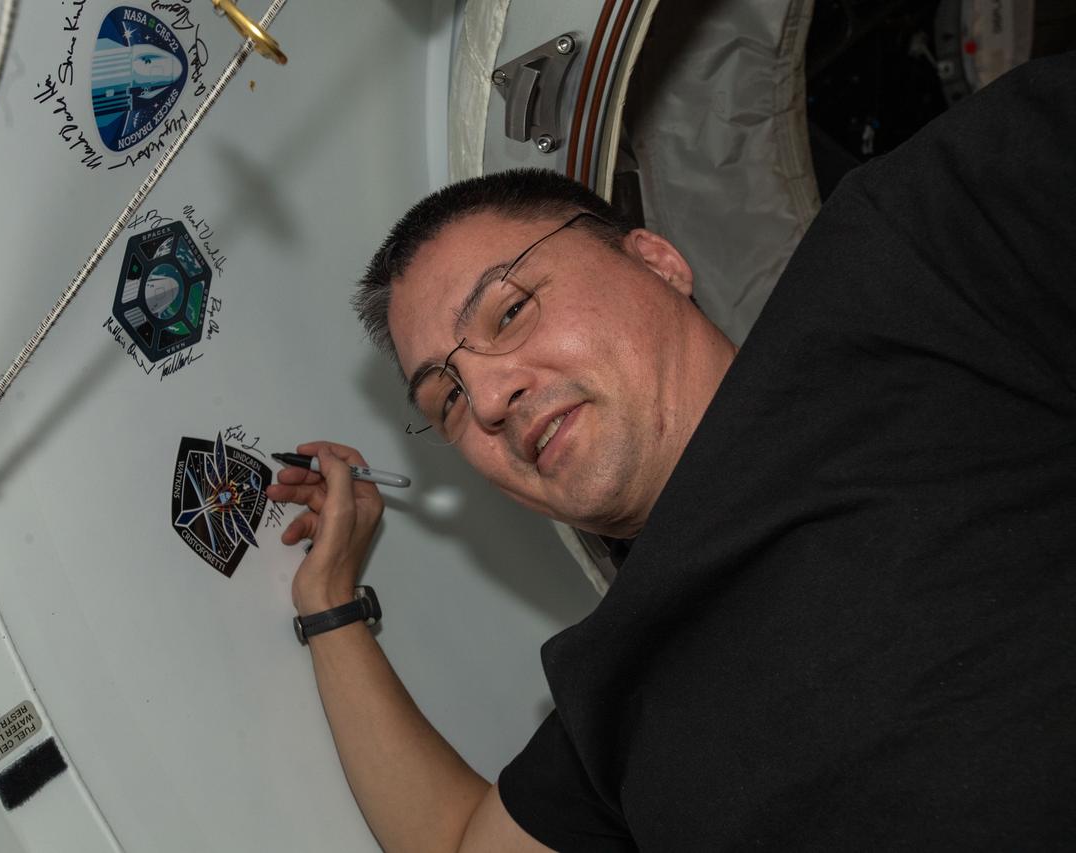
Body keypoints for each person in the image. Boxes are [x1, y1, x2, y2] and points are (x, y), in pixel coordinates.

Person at [265, 52, 1076, 851]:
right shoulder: (609, 692)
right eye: (446, 400)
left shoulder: (907, 266)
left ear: (656, 261)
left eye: (508, 312)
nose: (487, 401)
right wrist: (329, 597)